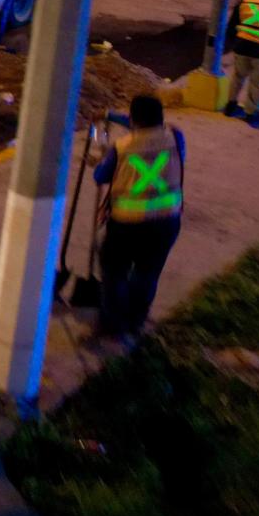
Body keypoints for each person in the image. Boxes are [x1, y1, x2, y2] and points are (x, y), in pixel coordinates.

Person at [92, 95, 185, 340]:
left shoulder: (121, 147)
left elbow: (100, 177)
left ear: (133, 119)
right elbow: (143, 126)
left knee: (114, 271)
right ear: (161, 117)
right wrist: (111, 115)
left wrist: (101, 158)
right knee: (147, 272)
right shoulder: (176, 138)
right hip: (167, 222)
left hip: (127, 225)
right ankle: (136, 319)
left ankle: (113, 325)